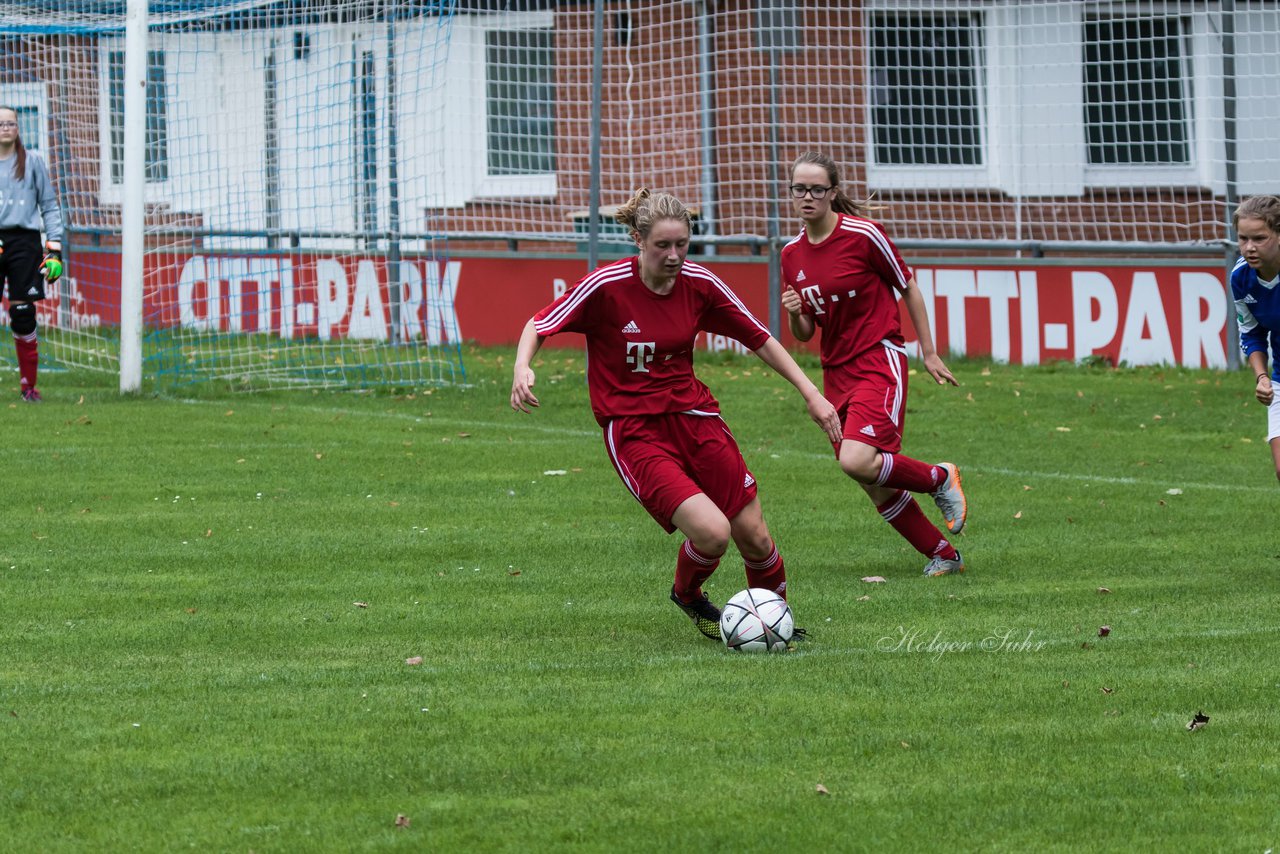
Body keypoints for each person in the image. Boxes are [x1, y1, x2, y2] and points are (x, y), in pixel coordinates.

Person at [511, 188, 842, 640]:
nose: (673, 255)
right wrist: (522, 366)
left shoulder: (701, 284)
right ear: (637, 240)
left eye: (681, 244)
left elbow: (760, 338)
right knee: (712, 534)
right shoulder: (607, 287)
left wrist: (811, 394)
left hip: (695, 417)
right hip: (634, 431)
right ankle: (688, 595)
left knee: (756, 537)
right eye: (662, 246)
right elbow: (538, 323)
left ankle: (773, 624)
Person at [779, 151, 968, 577]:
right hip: (835, 371)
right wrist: (794, 312)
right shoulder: (790, 254)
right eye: (799, 189)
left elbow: (909, 287)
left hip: (878, 359)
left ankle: (940, 477)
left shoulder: (864, 235)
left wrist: (930, 351)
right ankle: (944, 554)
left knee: (856, 460)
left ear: (832, 193)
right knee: (871, 481)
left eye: (816, 189)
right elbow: (806, 333)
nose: (807, 196)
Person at [0, 106, 63, 402]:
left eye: (10, 123)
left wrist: (54, 249)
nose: (5, 128)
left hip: (24, 241)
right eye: (0, 124)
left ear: (17, 128)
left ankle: (29, 387)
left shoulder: (33, 162)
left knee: (23, 314)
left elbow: (49, 207)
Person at [1231, 194, 1280, 482]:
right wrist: (1262, 377)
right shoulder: (1240, 278)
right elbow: (1251, 332)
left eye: (1259, 238)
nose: (1249, 247)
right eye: (1242, 238)